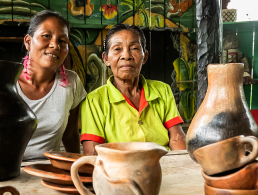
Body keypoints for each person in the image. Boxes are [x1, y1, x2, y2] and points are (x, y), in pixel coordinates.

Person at [81, 24, 186, 155]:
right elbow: (92, 152)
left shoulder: (162, 90)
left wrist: (182, 163)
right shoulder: (94, 100)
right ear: (106, 59)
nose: (126, 55)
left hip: (163, 164)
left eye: (135, 48)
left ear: (145, 57)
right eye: (117, 49)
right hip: (120, 169)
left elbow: (177, 138)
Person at [17, 10, 86, 160]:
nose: (55, 45)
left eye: (63, 41)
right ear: (28, 42)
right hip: (9, 171)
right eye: (46, 36)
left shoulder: (71, 82)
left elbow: (70, 134)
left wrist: (76, 169)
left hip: (50, 169)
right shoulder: (7, 83)